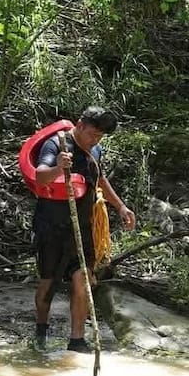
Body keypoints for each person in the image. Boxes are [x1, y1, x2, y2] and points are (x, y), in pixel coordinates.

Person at [32, 106, 136, 352]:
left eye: (100, 137)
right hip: (52, 227)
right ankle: (41, 328)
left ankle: (76, 340)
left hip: (83, 227)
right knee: (48, 282)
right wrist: (59, 167)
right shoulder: (56, 145)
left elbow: (99, 179)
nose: (95, 141)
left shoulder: (94, 151)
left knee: (84, 280)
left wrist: (120, 207)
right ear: (80, 125)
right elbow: (40, 176)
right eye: (92, 135)